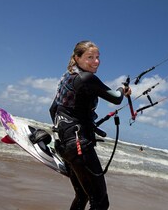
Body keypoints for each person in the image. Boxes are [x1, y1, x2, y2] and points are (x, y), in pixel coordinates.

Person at [49, 40, 131, 210]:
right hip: (79, 146)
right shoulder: (87, 78)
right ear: (77, 58)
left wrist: (67, 130)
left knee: (83, 195)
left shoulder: (67, 77)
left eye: (98, 57)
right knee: (100, 202)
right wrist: (123, 88)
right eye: (90, 57)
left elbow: (53, 109)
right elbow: (116, 98)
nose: (96, 61)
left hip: (64, 144)